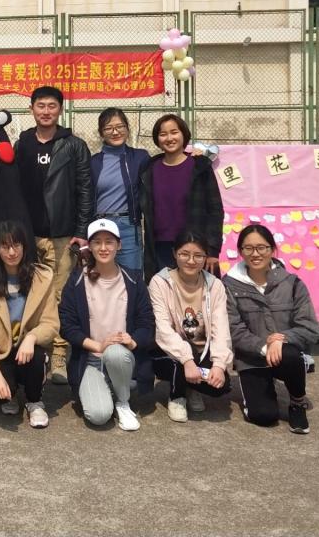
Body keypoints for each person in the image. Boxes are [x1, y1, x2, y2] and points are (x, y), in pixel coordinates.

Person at [14, 86, 93, 386]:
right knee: (28, 295)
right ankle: (32, 348)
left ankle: (58, 353)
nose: (46, 111)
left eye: (52, 106)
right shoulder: (23, 144)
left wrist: (81, 232)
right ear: (31, 109)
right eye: (40, 106)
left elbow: (85, 190)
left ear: (60, 109)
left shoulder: (74, 145)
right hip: (28, 236)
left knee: (60, 296)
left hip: (62, 235)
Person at [58, 219, 154, 431]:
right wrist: (98, 346)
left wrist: (133, 341)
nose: (103, 248)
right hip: (92, 361)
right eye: (97, 242)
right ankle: (109, 387)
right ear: (90, 246)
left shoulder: (133, 279)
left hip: (123, 358)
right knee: (99, 415)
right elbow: (67, 325)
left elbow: (147, 323)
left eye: (109, 242)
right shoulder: (77, 280)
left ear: (119, 245)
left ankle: (123, 401)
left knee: (115, 353)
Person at [224, 224, 319, 434]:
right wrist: (264, 347)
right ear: (240, 251)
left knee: (290, 354)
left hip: (286, 354)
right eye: (248, 248)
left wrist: (281, 339)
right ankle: (262, 390)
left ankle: (297, 402)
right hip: (252, 358)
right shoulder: (229, 285)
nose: (255, 254)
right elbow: (233, 328)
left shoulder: (292, 283)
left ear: (272, 249)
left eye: (262, 247)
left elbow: (309, 327)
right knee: (263, 416)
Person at [0, 220, 59, 429]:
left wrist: (31, 337)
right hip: (2, 352)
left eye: (16, 245)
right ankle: (8, 393)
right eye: (5, 246)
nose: (12, 252)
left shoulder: (42, 278)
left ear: (24, 246)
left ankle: (34, 401)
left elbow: (51, 323)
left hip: (28, 351)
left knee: (36, 355)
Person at [149, 231, 233, 422]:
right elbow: (163, 329)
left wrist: (219, 365)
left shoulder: (215, 285)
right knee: (178, 364)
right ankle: (177, 395)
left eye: (198, 256)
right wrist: (187, 360)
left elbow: (221, 329)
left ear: (205, 257)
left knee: (221, 386)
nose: (191, 261)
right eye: (184, 254)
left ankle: (191, 387)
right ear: (174, 253)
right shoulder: (160, 282)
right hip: (170, 351)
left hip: (202, 350)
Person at [138, 114, 224, 281]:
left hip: (195, 247)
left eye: (174, 132)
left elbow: (215, 210)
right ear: (157, 139)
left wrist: (213, 250)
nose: (169, 138)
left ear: (184, 134)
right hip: (160, 248)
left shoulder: (200, 166)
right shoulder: (149, 168)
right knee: (164, 293)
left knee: (197, 294)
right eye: (163, 134)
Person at [89, 108, 151, 283]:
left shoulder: (140, 157)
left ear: (127, 128)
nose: (115, 132)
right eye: (108, 128)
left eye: (120, 126)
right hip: (100, 226)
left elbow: (165, 165)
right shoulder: (93, 162)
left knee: (131, 278)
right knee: (100, 279)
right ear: (101, 132)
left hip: (128, 226)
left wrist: (192, 154)